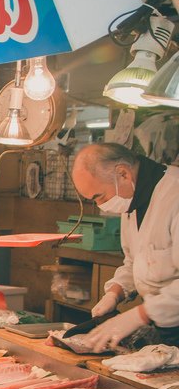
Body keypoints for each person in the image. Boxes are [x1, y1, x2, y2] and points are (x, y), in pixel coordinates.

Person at [70, 143, 179, 352]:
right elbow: (135, 261)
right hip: (163, 324)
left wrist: (139, 315)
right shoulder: (130, 199)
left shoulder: (174, 195)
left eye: (99, 197)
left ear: (123, 173)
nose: (101, 205)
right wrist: (115, 293)